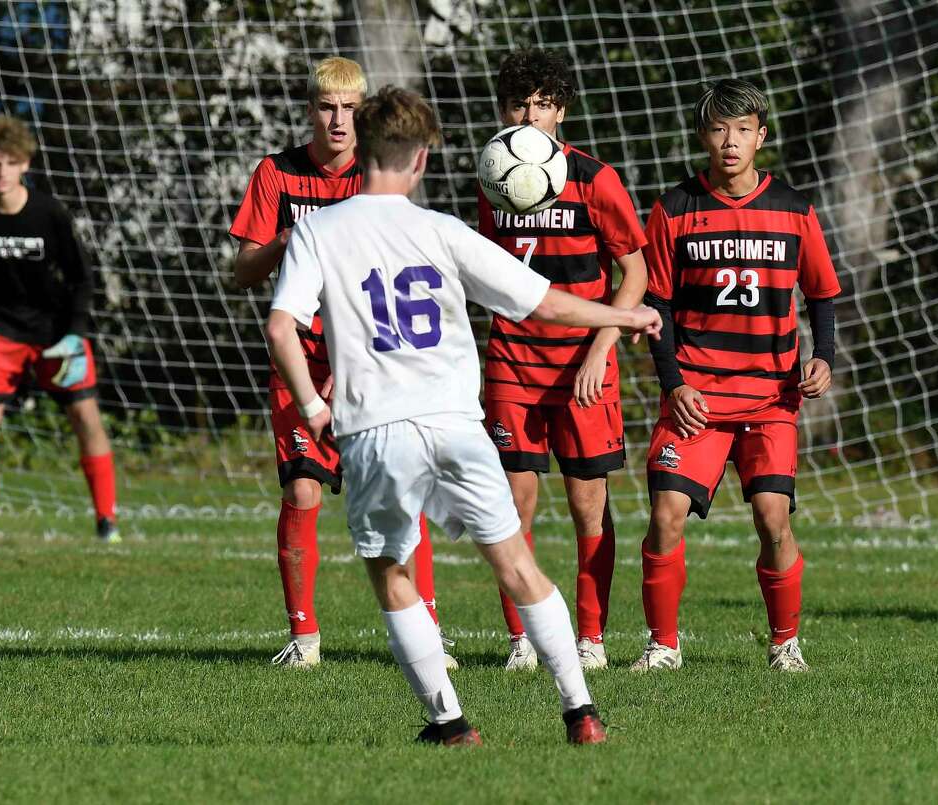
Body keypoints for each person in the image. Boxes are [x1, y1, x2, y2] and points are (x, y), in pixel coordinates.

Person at [265, 85, 661, 744]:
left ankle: (449, 721)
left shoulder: (318, 229)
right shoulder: (443, 230)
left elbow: (282, 328)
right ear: (420, 158)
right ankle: (581, 710)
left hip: (374, 430)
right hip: (456, 423)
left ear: (361, 148)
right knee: (516, 563)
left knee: (391, 571)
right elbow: (546, 305)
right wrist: (625, 315)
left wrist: (311, 404)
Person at [229, 57, 447, 668]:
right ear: (311, 111)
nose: (339, 119)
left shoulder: (377, 176)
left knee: (401, 491)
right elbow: (243, 271)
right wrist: (294, 236)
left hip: (370, 359)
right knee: (302, 490)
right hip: (299, 357)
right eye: (328, 107)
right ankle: (304, 638)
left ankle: (427, 631)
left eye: (351, 108)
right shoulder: (276, 174)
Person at [634, 78, 840, 672]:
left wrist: (822, 356)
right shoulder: (674, 208)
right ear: (703, 136)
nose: (731, 142)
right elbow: (660, 308)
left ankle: (785, 644)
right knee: (666, 514)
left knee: (773, 517)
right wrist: (673, 382)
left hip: (770, 398)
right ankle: (663, 647)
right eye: (719, 129)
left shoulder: (795, 209)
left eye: (743, 129)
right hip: (694, 396)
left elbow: (822, 295)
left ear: (761, 137)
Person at [478, 49, 648, 671]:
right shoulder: (491, 175)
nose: (530, 115)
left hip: (583, 363)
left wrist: (601, 350)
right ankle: (523, 639)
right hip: (512, 361)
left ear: (562, 111)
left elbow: (636, 271)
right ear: (503, 110)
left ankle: (592, 639)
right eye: (519, 104)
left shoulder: (595, 178)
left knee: (587, 505)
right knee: (512, 502)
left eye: (543, 104)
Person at [0, 114, 119, 543]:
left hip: (55, 331)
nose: (0, 172)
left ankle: (106, 521)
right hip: (1, 328)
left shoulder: (49, 213)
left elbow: (81, 277)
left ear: (25, 165)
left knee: (86, 418)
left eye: (10, 163)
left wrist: (75, 335)